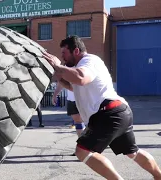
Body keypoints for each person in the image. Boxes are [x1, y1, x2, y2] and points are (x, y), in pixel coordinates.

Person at [42, 35, 161, 180]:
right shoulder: (81, 65)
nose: (62, 57)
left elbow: (80, 78)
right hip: (119, 111)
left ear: (76, 51)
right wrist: (59, 76)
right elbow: (75, 86)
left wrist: (57, 66)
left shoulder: (89, 61)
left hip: (107, 113)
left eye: (64, 53)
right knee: (133, 152)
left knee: (82, 152)